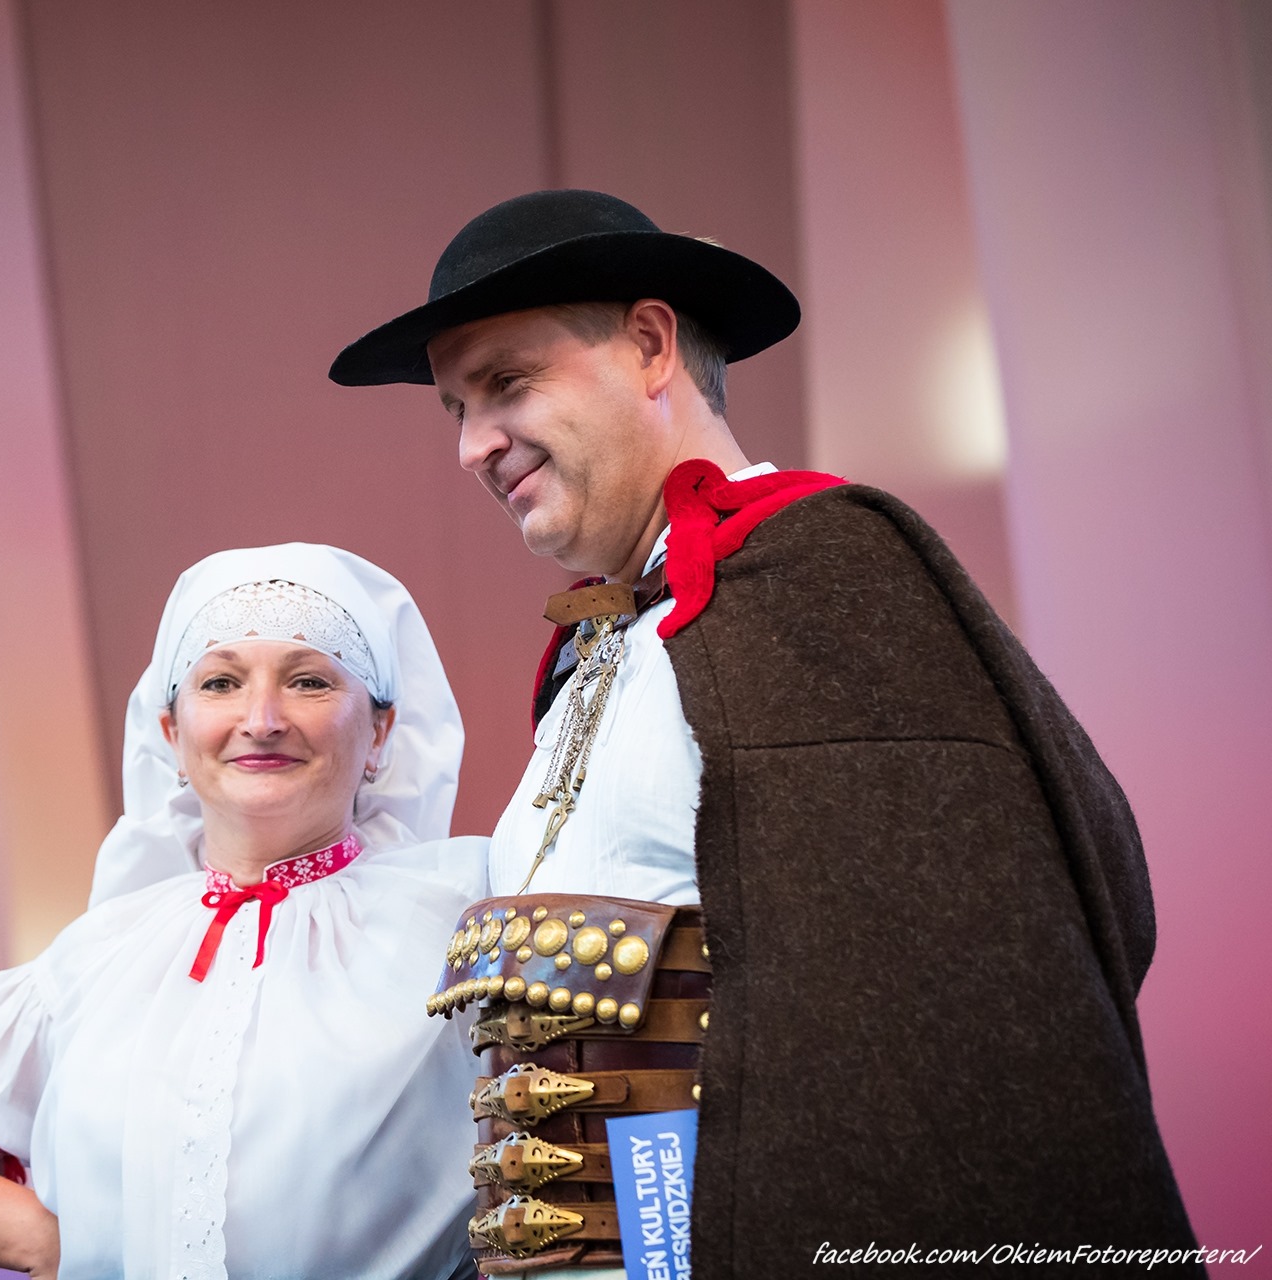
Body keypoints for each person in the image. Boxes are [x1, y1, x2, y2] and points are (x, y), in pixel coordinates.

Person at [330, 190, 1200, 1277]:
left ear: (652, 346)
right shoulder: (601, 648)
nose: (472, 445)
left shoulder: (832, 578)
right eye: (457, 408)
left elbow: (997, 981)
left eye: (506, 383)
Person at [0, 543, 486, 1280]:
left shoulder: (466, 922)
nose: (262, 718)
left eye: (309, 681)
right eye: (220, 682)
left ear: (380, 731)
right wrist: (59, 1246)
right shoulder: (99, 955)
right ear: (172, 736)